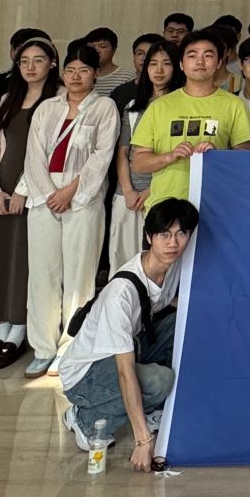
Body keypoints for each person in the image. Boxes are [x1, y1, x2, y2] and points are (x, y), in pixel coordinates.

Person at [58, 197, 197, 473]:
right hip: (85, 374)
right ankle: (85, 419)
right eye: (164, 235)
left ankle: (150, 407)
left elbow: (161, 301)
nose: (173, 243)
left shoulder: (170, 267)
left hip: (129, 346)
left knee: (184, 320)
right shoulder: (120, 295)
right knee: (159, 381)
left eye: (181, 234)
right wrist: (143, 440)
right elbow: (125, 372)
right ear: (149, 237)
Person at [18, 41, 121, 378]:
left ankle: (70, 346)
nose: (76, 76)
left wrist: (70, 192)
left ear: (95, 74)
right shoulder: (47, 107)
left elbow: (102, 156)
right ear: (62, 73)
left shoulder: (104, 107)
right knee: (42, 273)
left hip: (82, 197)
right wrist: (50, 194)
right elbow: (33, 156)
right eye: (71, 70)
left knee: (80, 275)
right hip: (44, 195)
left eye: (84, 70)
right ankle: (43, 347)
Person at [0, 37, 56, 370]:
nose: (31, 67)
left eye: (38, 60)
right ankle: (0, 332)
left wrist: (22, 190)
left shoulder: (58, 100)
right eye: (24, 61)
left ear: (52, 63)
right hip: (0, 193)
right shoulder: (8, 98)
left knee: (23, 261)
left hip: (34, 192)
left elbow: (46, 153)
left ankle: (18, 331)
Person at [128, 30, 250, 200]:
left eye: (208, 55)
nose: (200, 61)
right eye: (192, 55)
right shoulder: (159, 106)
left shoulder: (234, 104)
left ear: (219, 62)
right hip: (166, 204)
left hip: (215, 202)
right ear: (181, 64)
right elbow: (138, 163)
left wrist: (217, 156)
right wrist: (171, 156)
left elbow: (245, 158)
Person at [110, 37, 179, 268]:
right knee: (123, 260)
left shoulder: (182, 108)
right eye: (153, 63)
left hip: (163, 192)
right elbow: (123, 152)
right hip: (127, 194)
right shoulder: (133, 107)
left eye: (166, 64)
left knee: (157, 262)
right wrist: (128, 190)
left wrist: (151, 190)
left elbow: (179, 155)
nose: (159, 70)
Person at [86, 27, 124, 96]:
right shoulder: (82, 76)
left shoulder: (126, 78)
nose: (97, 51)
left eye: (102, 46)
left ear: (114, 50)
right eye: (92, 47)